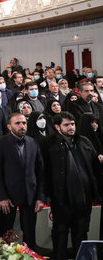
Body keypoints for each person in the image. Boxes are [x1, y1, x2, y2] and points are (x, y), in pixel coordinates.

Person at [42, 111, 100, 260]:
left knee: (81, 234)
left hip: (84, 198)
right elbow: (43, 172)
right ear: (57, 127)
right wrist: (45, 195)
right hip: (61, 198)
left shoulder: (85, 141)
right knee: (60, 234)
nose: (71, 127)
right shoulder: (47, 144)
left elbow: (96, 169)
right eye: (66, 125)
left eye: (72, 124)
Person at [0, 113, 45, 248]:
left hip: (30, 196)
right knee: (5, 233)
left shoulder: (33, 142)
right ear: (9, 126)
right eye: (18, 123)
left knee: (30, 233)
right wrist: (2, 197)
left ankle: (29, 255)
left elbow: (41, 172)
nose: (22, 126)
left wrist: (40, 197)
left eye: (24, 123)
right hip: (8, 197)